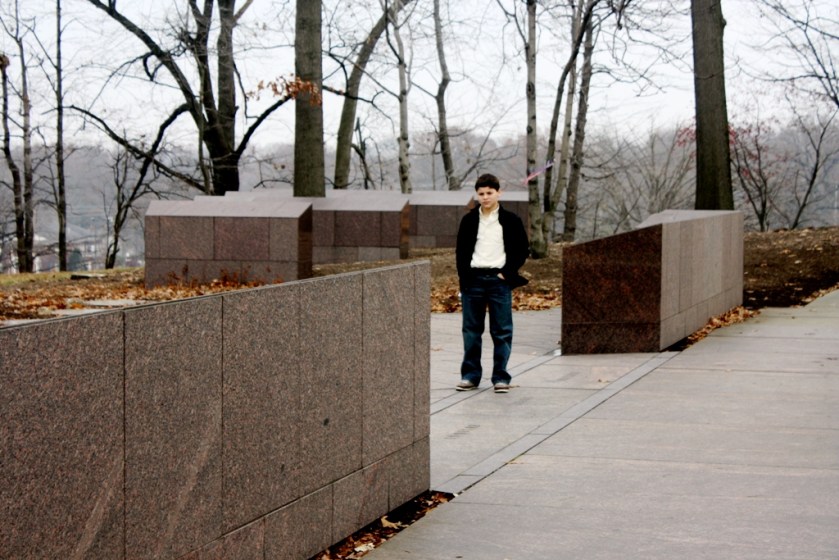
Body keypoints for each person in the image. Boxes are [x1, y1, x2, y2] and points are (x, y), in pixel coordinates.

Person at [455, 173, 529, 394]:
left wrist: (507, 274)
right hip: (474, 280)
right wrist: (465, 279)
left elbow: (522, 249)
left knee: (502, 331)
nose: (485, 197)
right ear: (476, 195)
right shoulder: (469, 220)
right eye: (481, 194)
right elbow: (460, 253)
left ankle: (501, 377)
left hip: (498, 281)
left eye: (489, 193)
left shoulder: (511, 220)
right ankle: (470, 376)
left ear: (498, 193)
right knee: (471, 331)